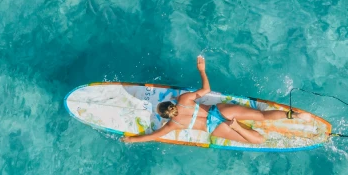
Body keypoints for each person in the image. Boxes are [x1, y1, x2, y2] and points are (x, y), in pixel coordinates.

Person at [122, 56, 311, 145]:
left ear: (166, 116)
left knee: (258, 140)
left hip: (215, 127)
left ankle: (237, 127)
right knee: (262, 115)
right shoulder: (184, 99)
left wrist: (132, 139)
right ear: (171, 103)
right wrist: (202, 70)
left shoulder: (174, 124)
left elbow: (154, 136)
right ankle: (292, 115)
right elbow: (206, 90)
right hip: (219, 111)